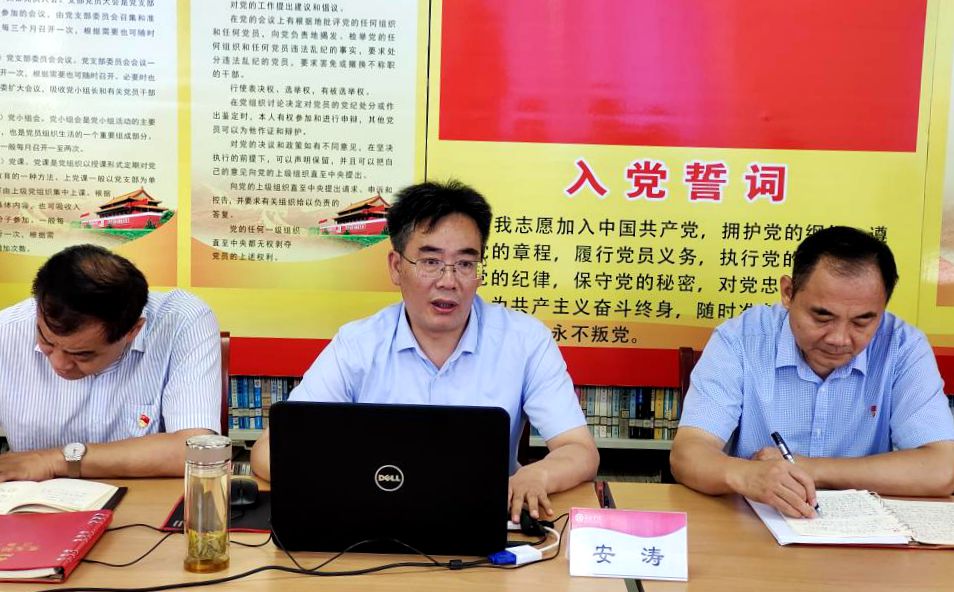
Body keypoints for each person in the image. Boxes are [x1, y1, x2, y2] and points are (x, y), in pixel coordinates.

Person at [251, 180, 599, 522]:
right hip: (374, 520)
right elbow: (269, 451)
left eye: (465, 264)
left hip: (482, 522)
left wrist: (537, 475)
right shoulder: (358, 345)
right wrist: (348, 484)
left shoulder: (524, 341)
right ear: (396, 267)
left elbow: (579, 450)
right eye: (431, 262)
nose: (448, 281)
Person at [670, 226, 954, 518]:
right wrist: (746, 475)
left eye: (862, 321)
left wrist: (810, 468)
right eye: (822, 316)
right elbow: (688, 453)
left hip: (863, 529)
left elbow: (943, 469)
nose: (839, 339)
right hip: (754, 523)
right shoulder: (740, 339)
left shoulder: (902, 346)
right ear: (788, 293)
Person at [0, 244, 222, 482]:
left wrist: (53, 460)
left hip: (146, 502)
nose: (60, 364)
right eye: (46, 341)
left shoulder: (182, 321)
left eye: (82, 354)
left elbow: (197, 450)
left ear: (133, 330)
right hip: (32, 501)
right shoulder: (6, 330)